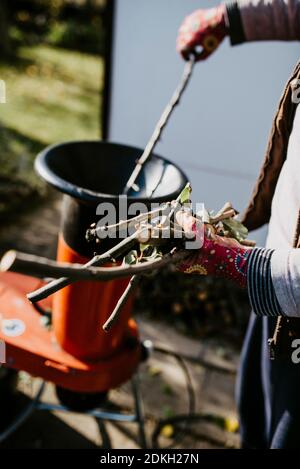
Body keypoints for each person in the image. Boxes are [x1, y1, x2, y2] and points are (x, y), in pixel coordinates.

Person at [176, 1, 300, 449]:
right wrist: (233, 19)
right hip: (279, 282)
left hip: (286, 290)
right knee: (256, 411)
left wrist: (232, 261)